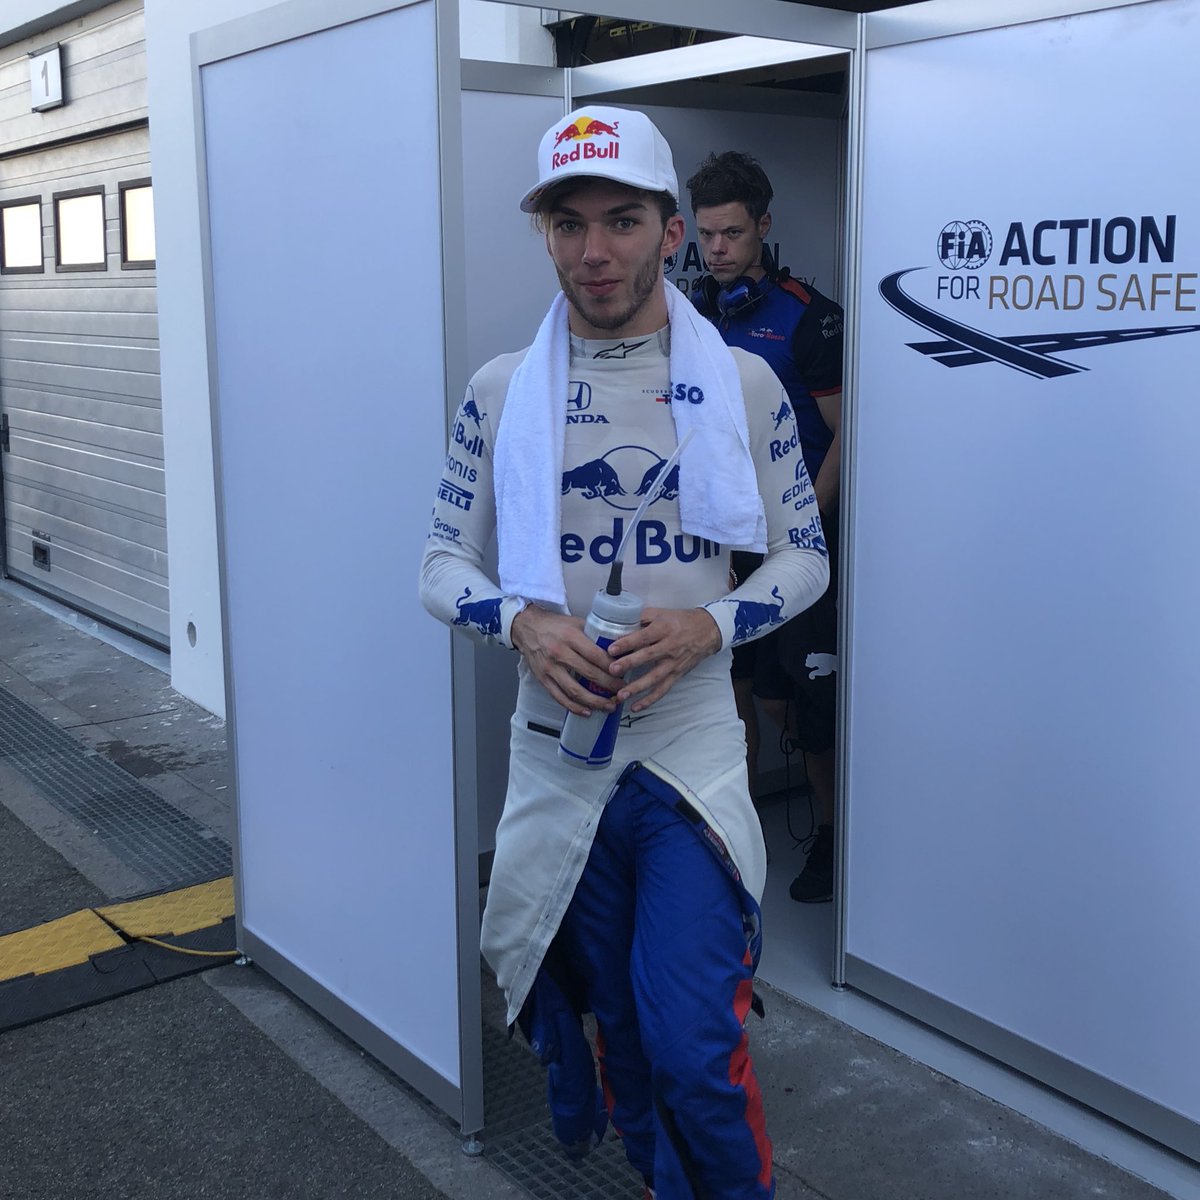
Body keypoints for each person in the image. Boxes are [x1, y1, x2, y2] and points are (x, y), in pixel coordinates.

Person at [420, 107, 829, 1200]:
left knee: (693, 1041)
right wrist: (521, 621)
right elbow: (438, 565)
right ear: (545, 234)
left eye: (622, 220)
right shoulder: (501, 388)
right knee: (622, 1039)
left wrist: (711, 624)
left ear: (668, 231)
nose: (594, 251)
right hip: (559, 756)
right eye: (569, 224)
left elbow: (805, 559)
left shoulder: (741, 381)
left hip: (688, 753)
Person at [685, 151, 845, 905]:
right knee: (736, 694)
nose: (718, 249)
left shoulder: (809, 317)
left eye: (733, 233)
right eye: (707, 234)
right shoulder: (693, 315)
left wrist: (804, 530)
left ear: (764, 227)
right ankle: (732, 838)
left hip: (796, 537)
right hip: (723, 537)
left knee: (802, 705)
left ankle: (834, 835)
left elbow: (847, 434)